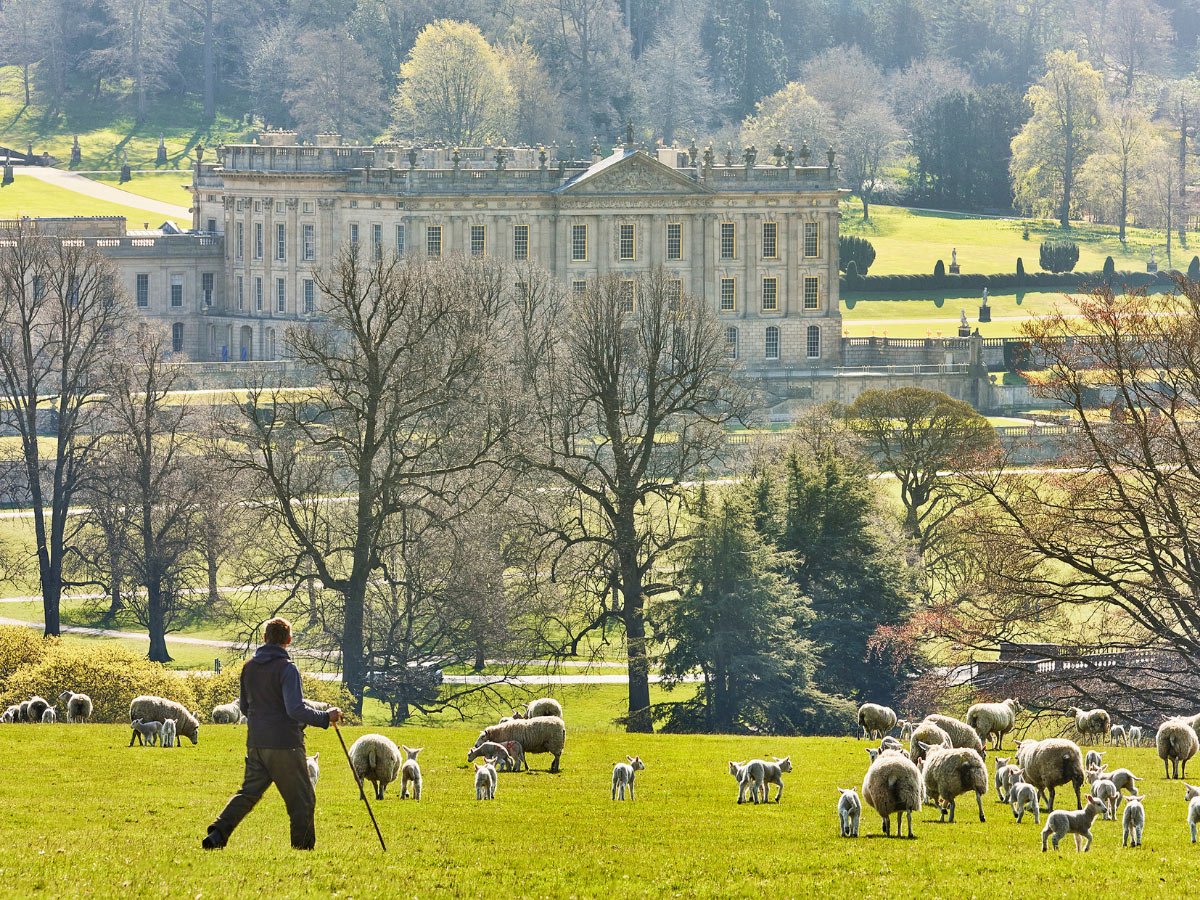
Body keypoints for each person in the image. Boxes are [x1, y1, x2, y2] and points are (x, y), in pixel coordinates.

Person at [202, 617, 341, 850]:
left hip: (256, 743)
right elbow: (295, 709)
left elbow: (245, 708)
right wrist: (326, 717)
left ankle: (216, 834)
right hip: (285, 745)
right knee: (303, 801)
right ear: (289, 640)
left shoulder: (249, 668)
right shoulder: (288, 669)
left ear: (264, 639)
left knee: (248, 794)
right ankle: (303, 849)